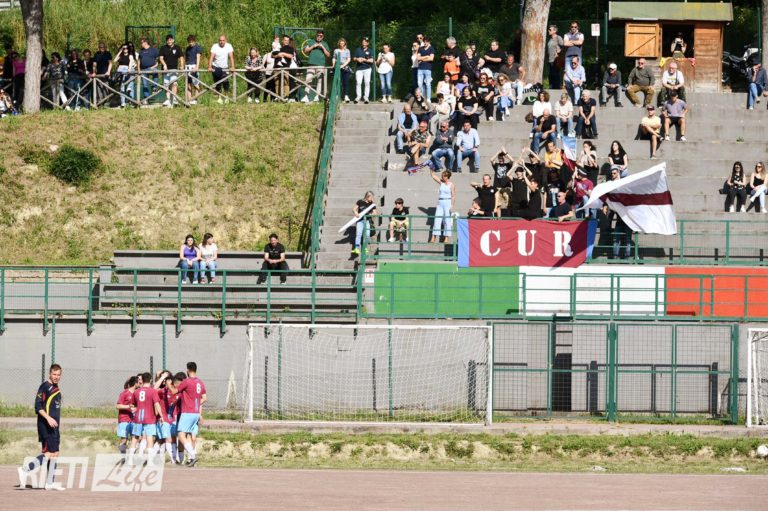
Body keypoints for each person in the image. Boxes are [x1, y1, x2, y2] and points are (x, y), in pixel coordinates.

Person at [17, 364, 64, 491]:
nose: (56, 377)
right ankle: (25, 470)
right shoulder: (45, 387)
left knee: (55, 453)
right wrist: (48, 418)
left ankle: (50, 483)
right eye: (54, 374)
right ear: (50, 374)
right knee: (48, 453)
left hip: (54, 427)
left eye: (58, 375)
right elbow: (38, 407)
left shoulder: (56, 388)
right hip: (46, 426)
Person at [173, 362, 206, 467]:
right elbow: (204, 398)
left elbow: (174, 391)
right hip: (196, 413)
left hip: (187, 412)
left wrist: (169, 384)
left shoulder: (186, 381)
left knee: (180, 434)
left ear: (187, 370)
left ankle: (193, 455)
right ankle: (191, 458)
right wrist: (196, 404)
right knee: (188, 435)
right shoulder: (200, 382)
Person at [127, 372, 162, 466]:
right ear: (150, 380)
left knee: (135, 438)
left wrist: (134, 408)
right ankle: (150, 461)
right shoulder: (153, 391)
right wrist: (161, 416)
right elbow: (157, 404)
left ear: (142, 380)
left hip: (138, 418)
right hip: (149, 418)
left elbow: (132, 405)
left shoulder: (136, 391)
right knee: (150, 438)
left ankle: (130, 460)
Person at [154, 371, 178, 464]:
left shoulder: (176, 391)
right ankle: (173, 460)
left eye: (167, 379)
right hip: (164, 419)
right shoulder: (162, 391)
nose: (166, 382)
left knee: (172, 439)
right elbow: (153, 389)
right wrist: (161, 377)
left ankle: (174, 459)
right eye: (165, 380)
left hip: (173, 419)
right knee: (165, 439)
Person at [302, 30, 331, 103]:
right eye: (318, 35)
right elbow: (305, 51)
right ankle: (306, 96)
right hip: (311, 64)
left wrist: (323, 47)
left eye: (321, 36)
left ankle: (317, 96)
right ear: (316, 35)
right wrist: (313, 46)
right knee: (308, 79)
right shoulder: (311, 41)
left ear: (323, 37)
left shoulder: (325, 44)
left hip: (321, 65)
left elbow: (328, 55)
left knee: (319, 81)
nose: (319, 37)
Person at [429, 170, 455, 243]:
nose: (442, 177)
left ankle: (446, 237)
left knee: (447, 220)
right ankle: (434, 236)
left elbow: (453, 196)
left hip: (447, 202)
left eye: (444, 176)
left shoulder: (451, 185)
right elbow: (433, 176)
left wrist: (452, 205)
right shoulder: (441, 182)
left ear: (447, 177)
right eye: (442, 176)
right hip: (440, 203)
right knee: (437, 219)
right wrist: (431, 169)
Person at [158, 34, 183, 108]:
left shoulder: (177, 47)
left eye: (170, 40)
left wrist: (182, 66)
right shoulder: (163, 48)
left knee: (174, 83)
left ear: (173, 40)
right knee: (166, 84)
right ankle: (168, 99)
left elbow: (181, 57)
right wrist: (164, 64)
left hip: (174, 69)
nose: (169, 41)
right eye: (168, 40)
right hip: (165, 70)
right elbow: (161, 58)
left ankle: (174, 98)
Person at [208, 35, 235, 102]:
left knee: (226, 82)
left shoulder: (229, 46)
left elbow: (231, 57)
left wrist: (232, 66)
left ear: (225, 41)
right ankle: (219, 98)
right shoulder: (215, 46)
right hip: (216, 66)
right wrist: (209, 66)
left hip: (225, 67)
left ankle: (226, 97)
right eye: (220, 40)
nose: (221, 42)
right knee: (217, 82)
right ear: (218, 41)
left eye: (223, 40)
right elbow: (211, 57)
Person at [273, 35, 295, 101]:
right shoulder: (278, 47)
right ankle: (278, 96)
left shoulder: (290, 48)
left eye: (288, 40)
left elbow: (291, 56)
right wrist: (278, 55)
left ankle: (286, 97)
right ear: (282, 40)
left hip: (285, 68)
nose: (286, 42)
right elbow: (272, 55)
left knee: (286, 82)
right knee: (277, 83)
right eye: (285, 40)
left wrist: (283, 54)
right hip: (277, 67)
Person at [137, 38, 159, 103]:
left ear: (145, 42)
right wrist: (138, 69)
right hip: (143, 70)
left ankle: (154, 87)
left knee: (156, 72)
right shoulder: (141, 51)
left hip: (152, 68)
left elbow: (158, 59)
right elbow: (138, 61)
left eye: (142, 43)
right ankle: (146, 99)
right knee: (145, 84)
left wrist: (155, 66)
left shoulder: (154, 50)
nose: (141, 44)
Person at [92, 42, 112, 106]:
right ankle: (100, 103)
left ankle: (106, 103)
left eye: (103, 47)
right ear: (99, 48)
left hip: (106, 74)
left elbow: (110, 63)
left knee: (106, 88)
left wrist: (108, 71)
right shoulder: (96, 54)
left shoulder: (108, 53)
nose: (102, 48)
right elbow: (94, 64)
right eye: (100, 47)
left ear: (105, 47)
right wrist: (94, 72)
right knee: (99, 89)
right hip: (98, 75)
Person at [353, 37, 373, 104]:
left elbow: (372, 60)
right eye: (363, 42)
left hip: (367, 68)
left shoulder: (370, 50)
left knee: (367, 83)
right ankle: (358, 97)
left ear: (368, 43)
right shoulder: (358, 49)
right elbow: (354, 58)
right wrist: (357, 59)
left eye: (365, 42)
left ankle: (366, 97)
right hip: (359, 69)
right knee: (358, 82)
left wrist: (364, 60)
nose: (364, 43)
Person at [332, 38, 352, 103]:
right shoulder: (336, 50)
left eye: (343, 43)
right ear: (339, 44)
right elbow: (334, 58)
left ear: (345, 44)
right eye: (341, 43)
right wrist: (333, 65)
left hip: (345, 68)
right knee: (337, 82)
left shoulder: (347, 50)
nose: (342, 44)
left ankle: (346, 96)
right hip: (337, 68)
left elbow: (348, 59)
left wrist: (342, 66)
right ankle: (337, 96)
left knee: (345, 82)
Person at [184, 35, 203, 105]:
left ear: (194, 41)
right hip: (187, 66)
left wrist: (197, 67)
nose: (190, 43)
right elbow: (186, 58)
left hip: (194, 66)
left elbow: (198, 57)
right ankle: (189, 99)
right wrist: (184, 66)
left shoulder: (198, 47)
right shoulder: (187, 48)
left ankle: (195, 99)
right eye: (189, 42)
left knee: (196, 83)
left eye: (192, 42)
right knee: (188, 83)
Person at [547, 25, 564, 89]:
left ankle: (556, 89)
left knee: (555, 75)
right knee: (550, 75)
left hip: (555, 60)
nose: (548, 31)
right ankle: (551, 89)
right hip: (550, 60)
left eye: (550, 30)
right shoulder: (550, 39)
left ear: (555, 31)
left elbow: (563, 45)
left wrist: (559, 51)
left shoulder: (558, 37)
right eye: (548, 29)